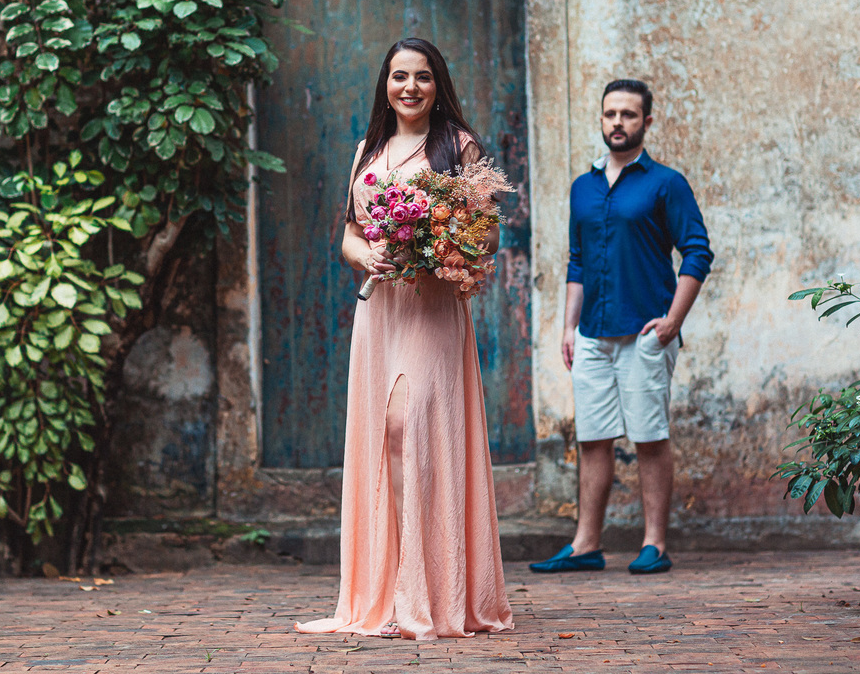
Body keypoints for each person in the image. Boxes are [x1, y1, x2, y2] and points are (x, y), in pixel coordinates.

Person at [295, 38, 514, 640]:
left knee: (408, 426)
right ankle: (389, 592)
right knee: (387, 439)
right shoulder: (368, 150)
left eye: (422, 77)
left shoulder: (458, 147)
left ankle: (427, 590)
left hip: (431, 309)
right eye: (399, 77)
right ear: (385, 85)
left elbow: (487, 238)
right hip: (380, 310)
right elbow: (348, 234)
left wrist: (435, 246)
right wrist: (373, 253)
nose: (410, 87)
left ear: (437, 85)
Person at [529, 79, 712, 576]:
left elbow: (697, 250)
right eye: (610, 114)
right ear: (601, 118)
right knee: (592, 438)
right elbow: (578, 261)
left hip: (645, 333)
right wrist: (568, 328)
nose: (617, 123)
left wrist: (673, 321)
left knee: (649, 437)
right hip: (591, 333)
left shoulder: (665, 183)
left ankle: (654, 543)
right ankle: (586, 544)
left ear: (646, 122)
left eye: (629, 115)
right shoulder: (582, 188)